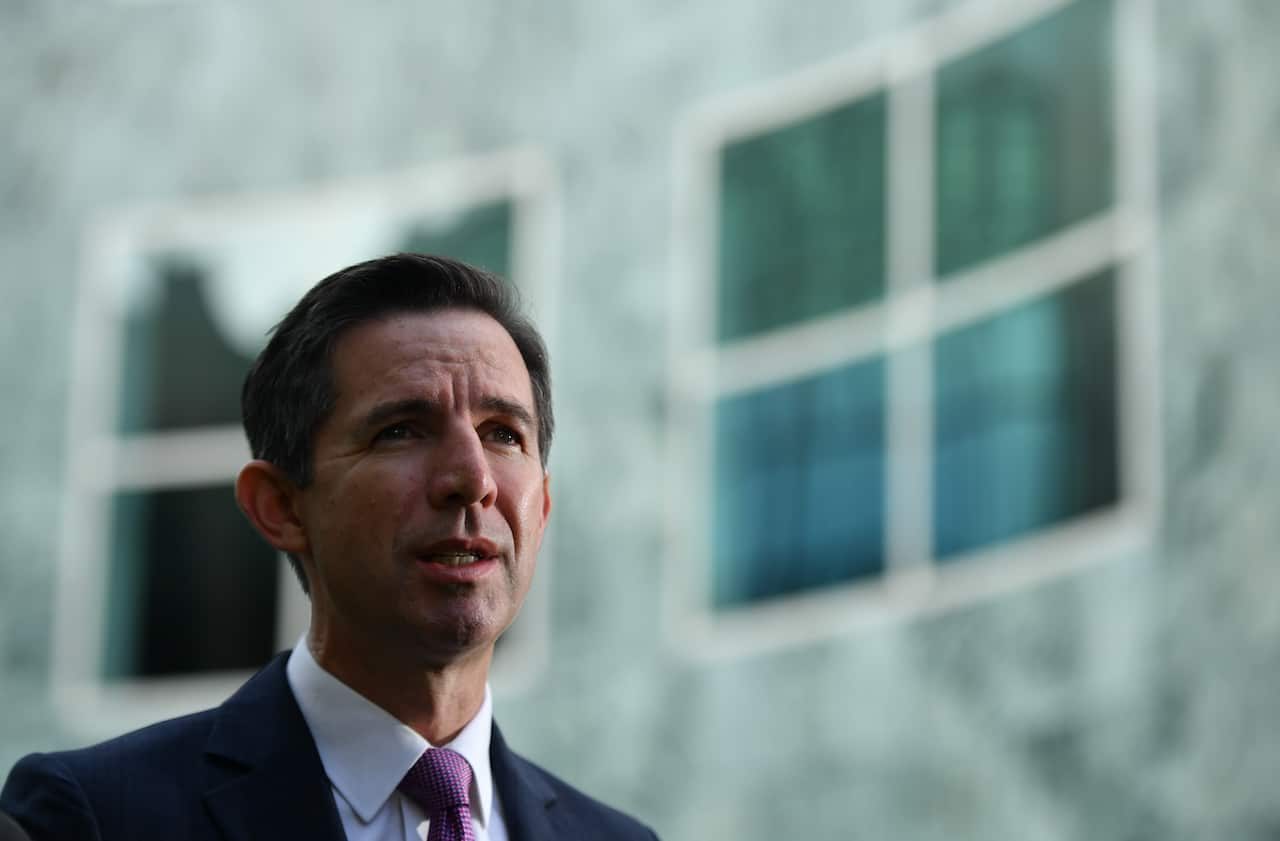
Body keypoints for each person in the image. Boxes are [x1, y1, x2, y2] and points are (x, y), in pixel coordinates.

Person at [1, 254, 659, 841]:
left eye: (504, 433)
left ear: (540, 508)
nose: (473, 479)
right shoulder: (92, 817)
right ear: (281, 506)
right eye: (402, 429)